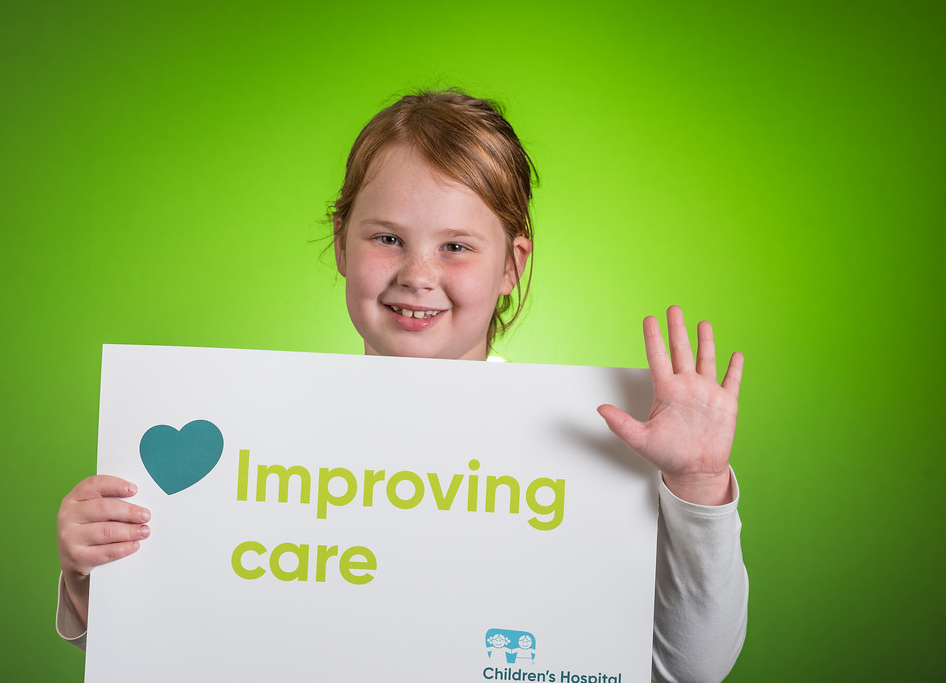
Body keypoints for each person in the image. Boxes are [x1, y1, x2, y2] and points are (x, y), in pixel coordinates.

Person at [56, 89, 748, 682]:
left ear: (511, 264)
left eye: (456, 246)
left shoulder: (590, 452)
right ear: (340, 242)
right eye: (386, 237)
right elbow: (190, 644)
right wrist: (94, 573)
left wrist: (697, 485)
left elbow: (690, 667)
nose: (418, 274)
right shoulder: (257, 437)